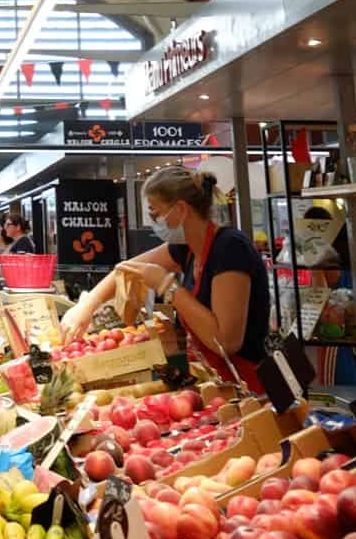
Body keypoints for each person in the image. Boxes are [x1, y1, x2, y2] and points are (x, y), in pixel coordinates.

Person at [61, 167, 271, 392]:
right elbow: (127, 269)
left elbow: (226, 342)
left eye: (155, 213)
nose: (153, 222)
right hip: (218, 381)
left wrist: (168, 287)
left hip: (251, 387)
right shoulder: (186, 249)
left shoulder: (230, 248)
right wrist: (88, 305)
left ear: (180, 209)